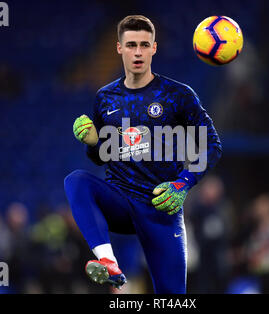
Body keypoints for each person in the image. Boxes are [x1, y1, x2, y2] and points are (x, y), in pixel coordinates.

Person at [64, 15, 222, 293]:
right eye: (131, 44)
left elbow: (211, 144)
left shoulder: (178, 95)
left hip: (162, 209)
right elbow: (101, 156)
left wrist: (183, 184)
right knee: (76, 180)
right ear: (119, 48)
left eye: (144, 45)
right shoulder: (105, 97)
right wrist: (92, 142)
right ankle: (108, 263)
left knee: (172, 297)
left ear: (154, 48)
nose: (138, 52)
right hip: (121, 203)